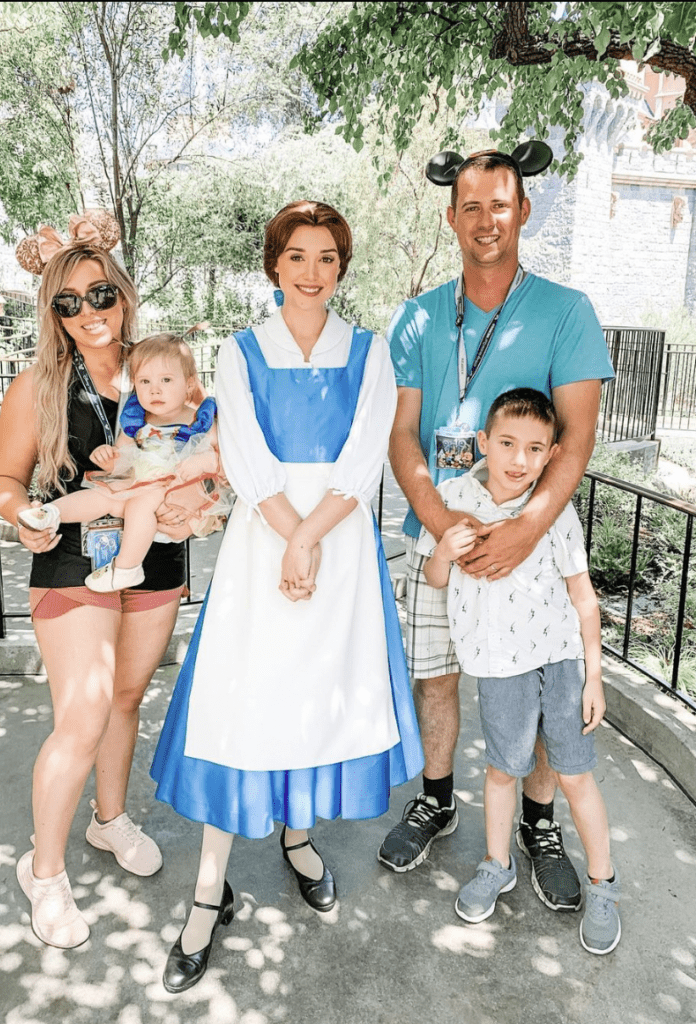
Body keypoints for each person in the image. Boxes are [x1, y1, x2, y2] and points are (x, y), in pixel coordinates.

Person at [149, 200, 424, 993]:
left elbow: (366, 452)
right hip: (260, 545)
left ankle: (297, 840)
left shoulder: (369, 351)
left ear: (341, 267)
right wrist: (290, 533)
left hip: (336, 547)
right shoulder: (239, 351)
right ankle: (207, 894)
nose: (311, 271)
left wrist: (309, 537)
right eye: (296, 256)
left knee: (315, 697)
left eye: (326, 257)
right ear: (274, 264)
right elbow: (245, 450)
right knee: (240, 703)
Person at [379, 144, 615, 916]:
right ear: (451, 217)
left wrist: (523, 530)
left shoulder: (566, 311)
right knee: (435, 677)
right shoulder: (416, 318)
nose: (485, 221)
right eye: (470, 207)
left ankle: (538, 826)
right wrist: (448, 521)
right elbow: (403, 435)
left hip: (532, 547)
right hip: (441, 535)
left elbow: (573, 441)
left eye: (500, 205)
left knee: (546, 688)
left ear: (524, 212)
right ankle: (437, 798)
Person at [0, 218, 192, 949]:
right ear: (53, 313)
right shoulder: (36, 385)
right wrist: (21, 515)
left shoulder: (161, 365)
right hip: (72, 558)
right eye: (67, 302)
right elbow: (3, 481)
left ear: (124, 294)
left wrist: (197, 497)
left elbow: (206, 448)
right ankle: (43, 872)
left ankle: (110, 821)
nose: (87, 311)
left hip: (155, 555)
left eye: (99, 292)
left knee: (128, 698)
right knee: (82, 713)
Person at [420, 389, 620, 954]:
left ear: (553, 453)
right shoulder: (455, 497)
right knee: (504, 768)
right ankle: (496, 864)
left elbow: (584, 598)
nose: (519, 459)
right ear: (484, 442)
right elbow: (438, 580)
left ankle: (604, 887)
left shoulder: (551, 510)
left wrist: (595, 676)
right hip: (498, 665)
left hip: (559, 662)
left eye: (535, 448)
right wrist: (444, 550)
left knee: (575, 773)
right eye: (507, 443)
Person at [17, 332, 232, 592]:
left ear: (188, 385)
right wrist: (107, 457)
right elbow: (121, 462)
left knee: (140, 504)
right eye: (145, 381)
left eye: (166, 379)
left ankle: (127, 568)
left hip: (178, 493)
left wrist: (206, 460)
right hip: (142, 487)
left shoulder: (200, 420)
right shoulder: (137, 421)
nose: (155, 389)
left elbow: (227, 460)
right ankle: (51, 514)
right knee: (104, 495)